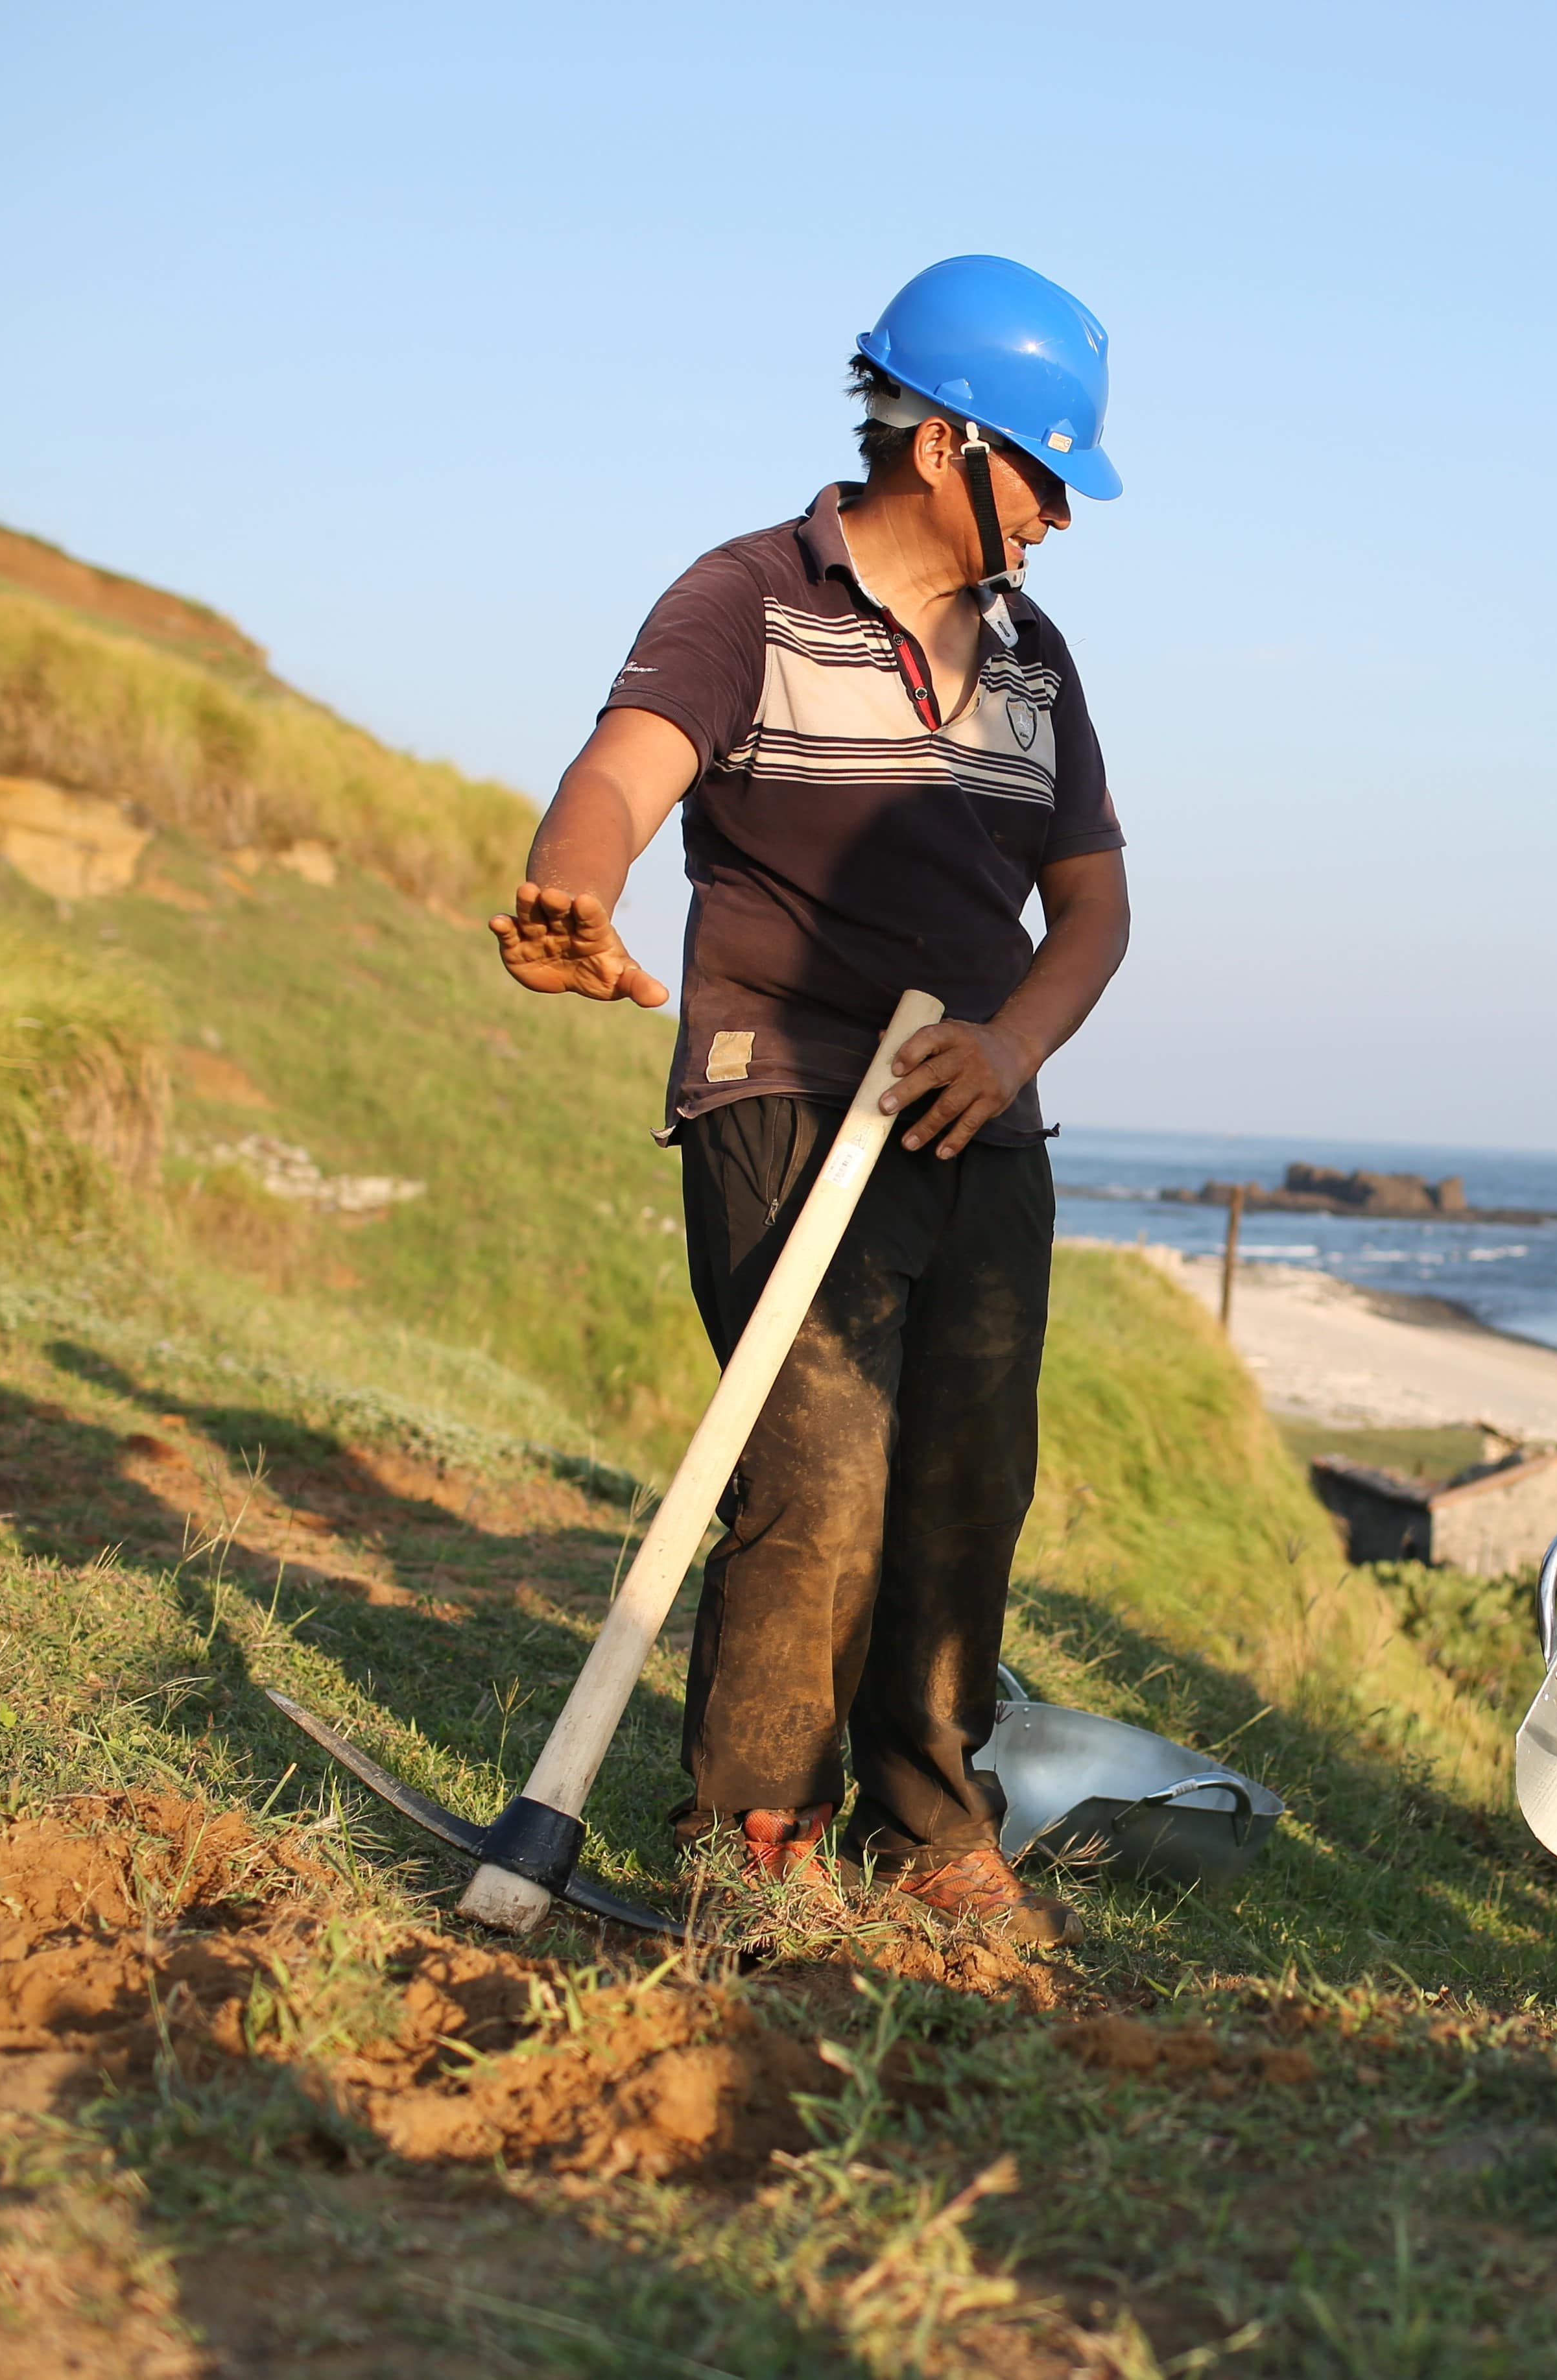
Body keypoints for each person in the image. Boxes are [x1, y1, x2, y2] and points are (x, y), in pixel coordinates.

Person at [486, 256, 1133, 1945]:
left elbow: (1094, 911)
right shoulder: (750, 593)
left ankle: (933, 1822)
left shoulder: (1034, 655)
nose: (1065, 514)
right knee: (820, 1468)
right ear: (951, 444)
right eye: (1050, 473)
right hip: (781, 1080)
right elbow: (627, 765)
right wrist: (577, 884)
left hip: (971, 1104)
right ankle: (752, 1835)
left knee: (970, 1475)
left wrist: (1010, 1052)